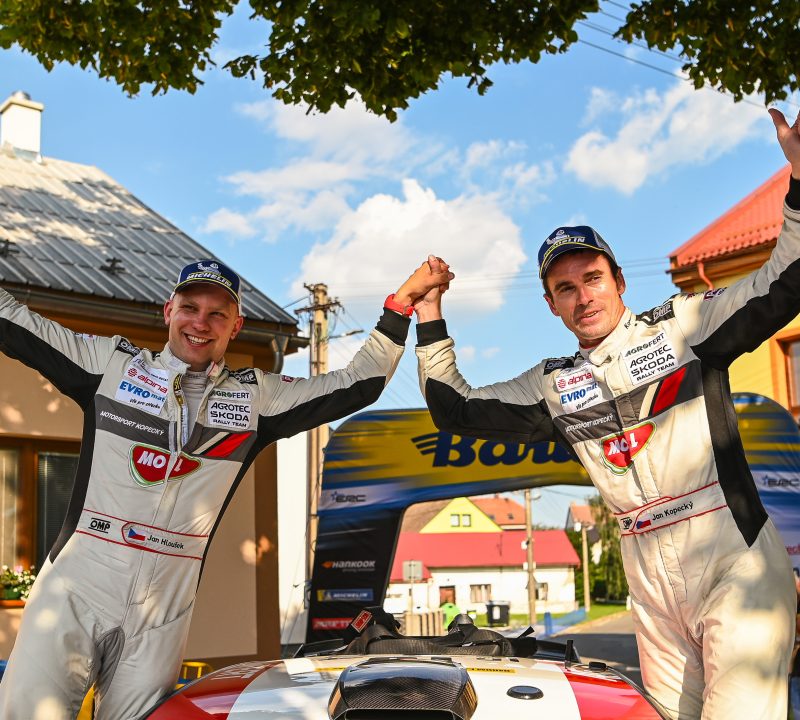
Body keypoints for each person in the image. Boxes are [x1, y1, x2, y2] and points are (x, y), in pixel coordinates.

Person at [406, 108, 800, 720]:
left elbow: (783, 283)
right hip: (648, 579)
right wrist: (429, 312)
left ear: (619, 281)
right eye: (565, 289)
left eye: (592, 278)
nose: (583, 296)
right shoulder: (551, 384)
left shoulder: (684, 326)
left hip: (732, 557)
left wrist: (798, 180)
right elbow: (454, 409)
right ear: (551, 305)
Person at [0, 258, 450, 719]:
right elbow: (13, 322)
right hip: (75, 588)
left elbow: (358, 385)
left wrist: (399, 306)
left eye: (217, 314)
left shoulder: (257, 398)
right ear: (168, 311)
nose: (200, 323)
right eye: (189, 308)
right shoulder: (110, 366)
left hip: (164, 606)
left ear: (236, 326)